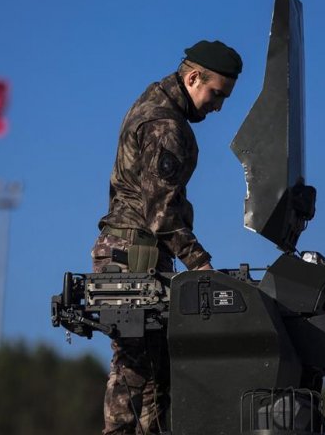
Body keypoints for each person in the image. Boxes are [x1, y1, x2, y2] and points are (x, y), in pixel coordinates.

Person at [90, 40, 242, 435]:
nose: (218, 106)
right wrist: (201, 265)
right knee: (139, 374)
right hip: (134, 255)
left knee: (147, 371)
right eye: (216, 94)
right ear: (193, 77)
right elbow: (162, 214)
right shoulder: (166, 126)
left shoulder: (154, 99)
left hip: (131, 252)